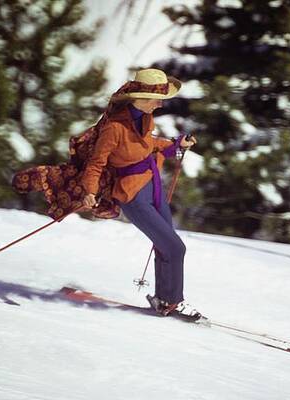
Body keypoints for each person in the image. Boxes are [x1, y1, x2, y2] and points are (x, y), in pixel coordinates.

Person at [79, 68, 203, 321]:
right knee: (176, 248)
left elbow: (148, 145)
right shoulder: (114, 128)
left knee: (165, 246)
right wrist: (89, 191)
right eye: (156, 99)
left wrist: (176, 144)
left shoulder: (144, 119)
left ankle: (163, 299)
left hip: (153, 185)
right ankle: (174, 302)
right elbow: (96, 163)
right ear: (141, 98)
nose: (159, 104)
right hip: (133, 195)